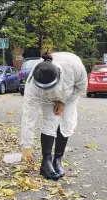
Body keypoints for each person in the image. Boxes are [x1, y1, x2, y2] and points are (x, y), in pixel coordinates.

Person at [21, 52, 87, 180]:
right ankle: (46, 162)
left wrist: (63, 102)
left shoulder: (75, 67)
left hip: (69, 93)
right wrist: (26, 146)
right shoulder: (32, 85)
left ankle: (58, 160)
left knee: (66, 121)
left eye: (50, 87)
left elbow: (80, 88)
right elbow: (29, 115)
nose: (49, 89)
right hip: (45, 98)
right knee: (50, 121)